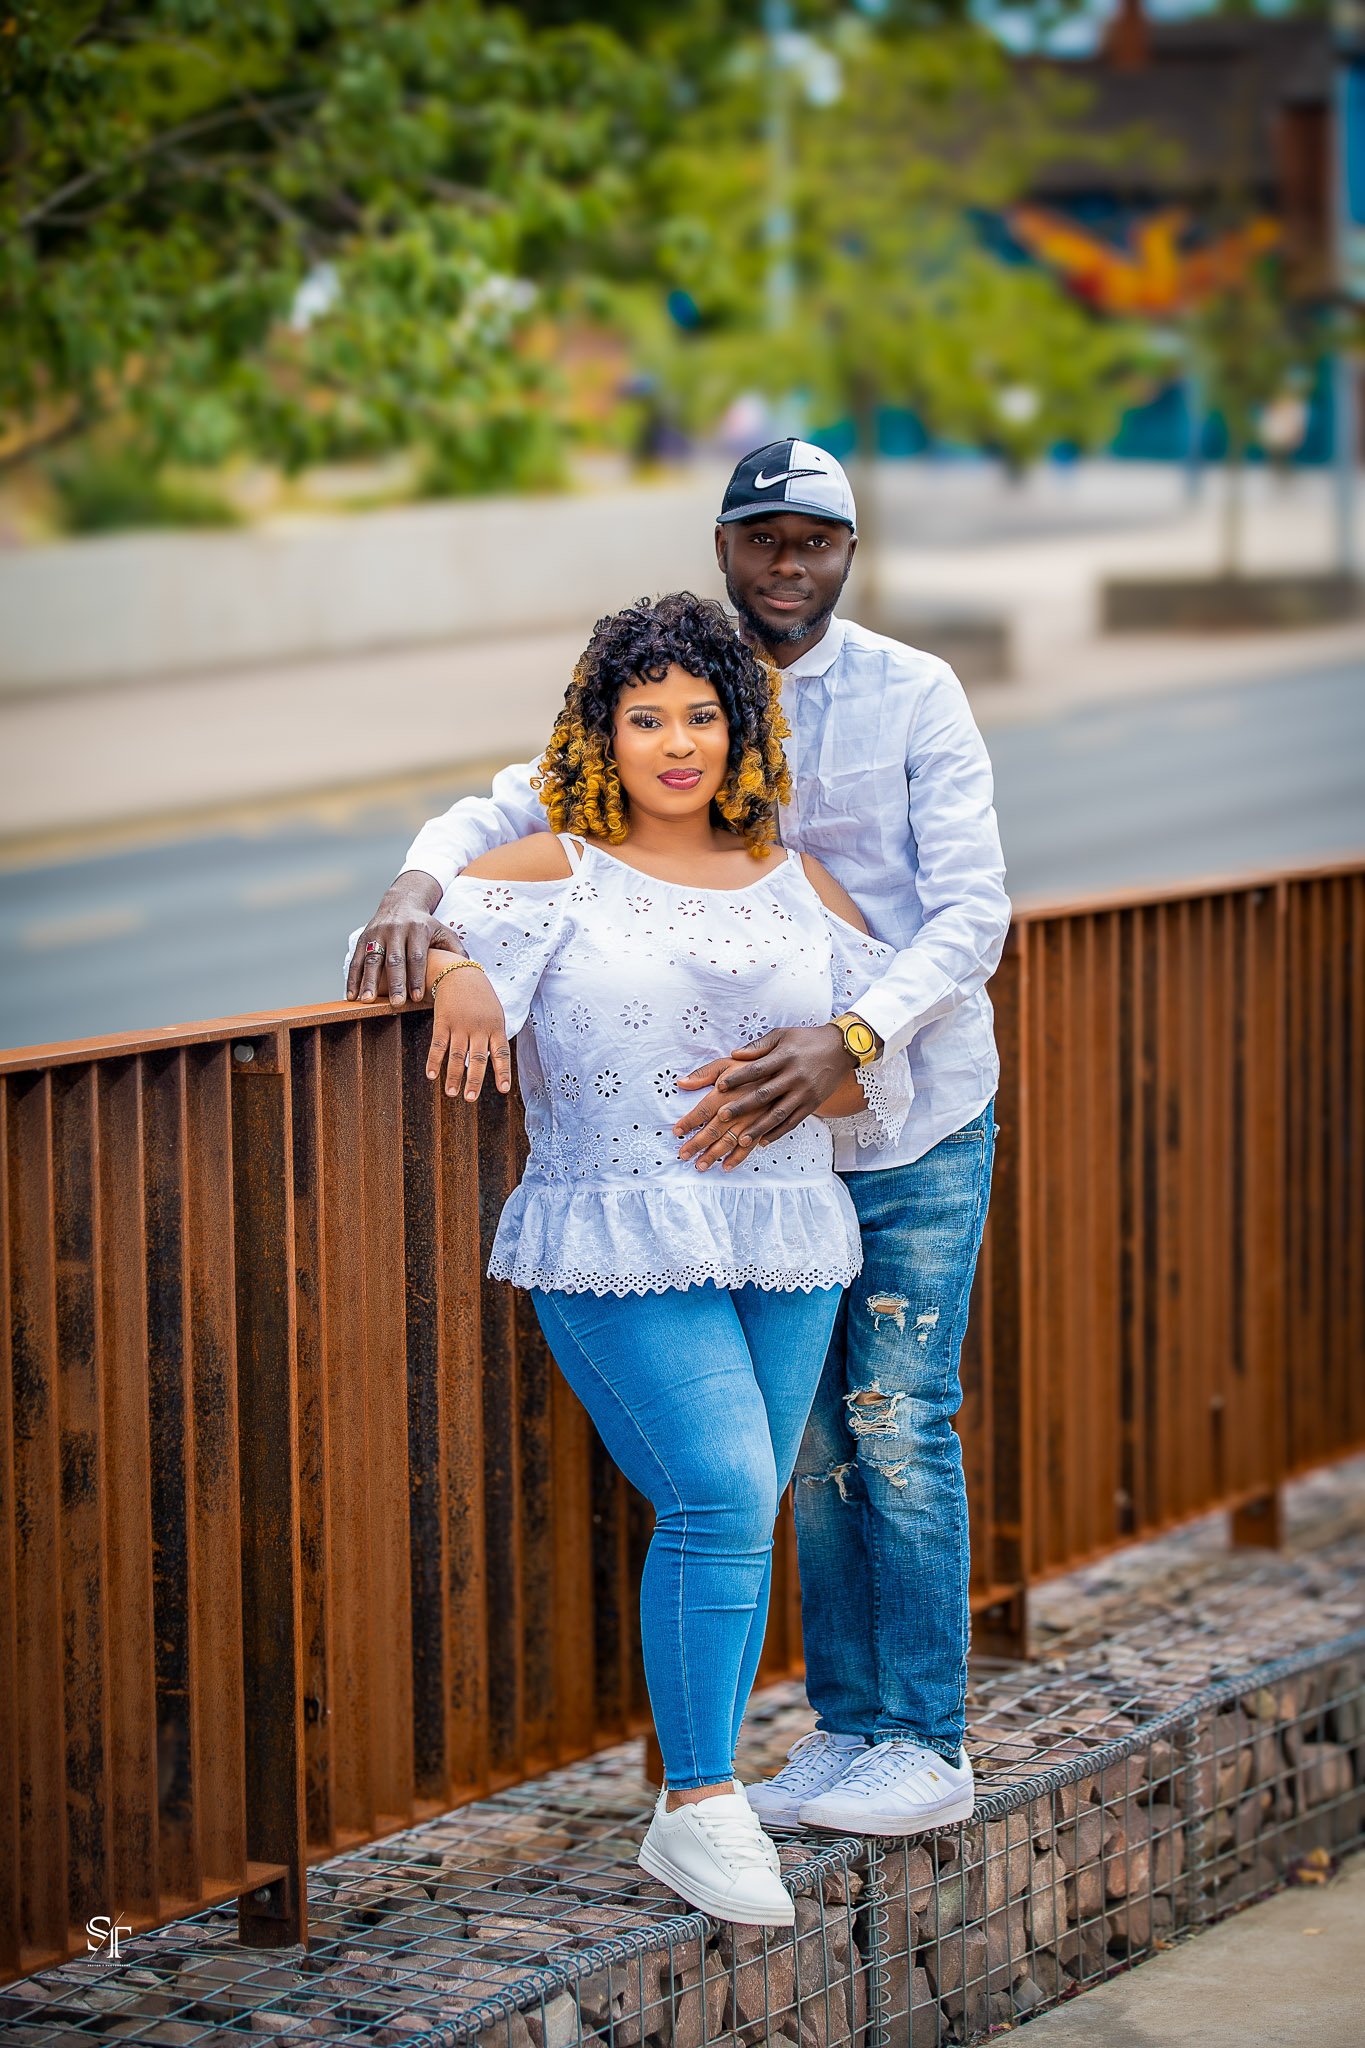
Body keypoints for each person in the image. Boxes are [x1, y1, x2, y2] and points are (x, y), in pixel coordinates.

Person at [346, 441, 1011, 1837]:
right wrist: (423, 898)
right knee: (797, 1455)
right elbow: (506, 809)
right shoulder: (680, 687)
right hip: (755, 1163)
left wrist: (851, 1039)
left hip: (901, 1112)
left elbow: (970, 914)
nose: (789, 563)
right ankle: (851, 1732)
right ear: (723, 548)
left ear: (849, 553)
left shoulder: (912, 692)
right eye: (763, 538)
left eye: (815, 540)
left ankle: (924, 1738)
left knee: (893, 1422)